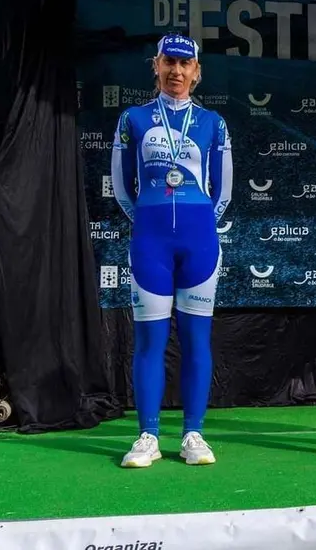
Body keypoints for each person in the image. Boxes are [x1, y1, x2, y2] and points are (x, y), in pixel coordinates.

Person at [111, 34, 233, 467]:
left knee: (198, 341)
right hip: (151, 242)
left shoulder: (213, 122)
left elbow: (223, 191)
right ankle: (148, 435)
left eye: (185, 64)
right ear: (156, 66)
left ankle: (194, 434)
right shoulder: (133, 119)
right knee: (150, 342)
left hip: (199, 241)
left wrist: (198, 221)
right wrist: (149, 219)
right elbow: (123, 187)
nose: (177, 72)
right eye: (169, 62)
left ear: (197, 72)